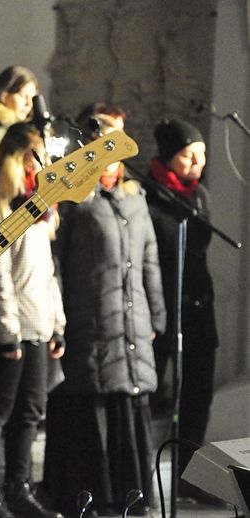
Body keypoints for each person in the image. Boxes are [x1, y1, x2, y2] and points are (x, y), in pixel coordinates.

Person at [41, 106, 167, 516]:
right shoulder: (76, 202)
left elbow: (149, 262)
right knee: (92, 404)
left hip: (133, 323)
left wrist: (156, 317)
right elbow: (56, 261)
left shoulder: (136, 201)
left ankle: (130, 494)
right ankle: (89, 494)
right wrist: (58, 319)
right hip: (89, 320)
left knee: (129, 405)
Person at [0, 122, 65, 518]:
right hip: (5, 331)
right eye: (38, 155)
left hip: (38, 324)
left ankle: (18, 489)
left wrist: (57, 322)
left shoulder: (38, 204)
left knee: (30, 412)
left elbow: (47, 272)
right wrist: (8, 332)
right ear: (18, 156)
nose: (45, 163)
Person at [146, 118, 218, 501]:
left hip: (198, 306)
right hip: (163, 307)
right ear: (170, 156)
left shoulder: (200, 195)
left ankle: (191, 479)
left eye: (202, 155)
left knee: (197, 395)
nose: (198, 163)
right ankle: (142, 477)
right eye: (189, 155)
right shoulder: (150, 194)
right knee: (156, 393)